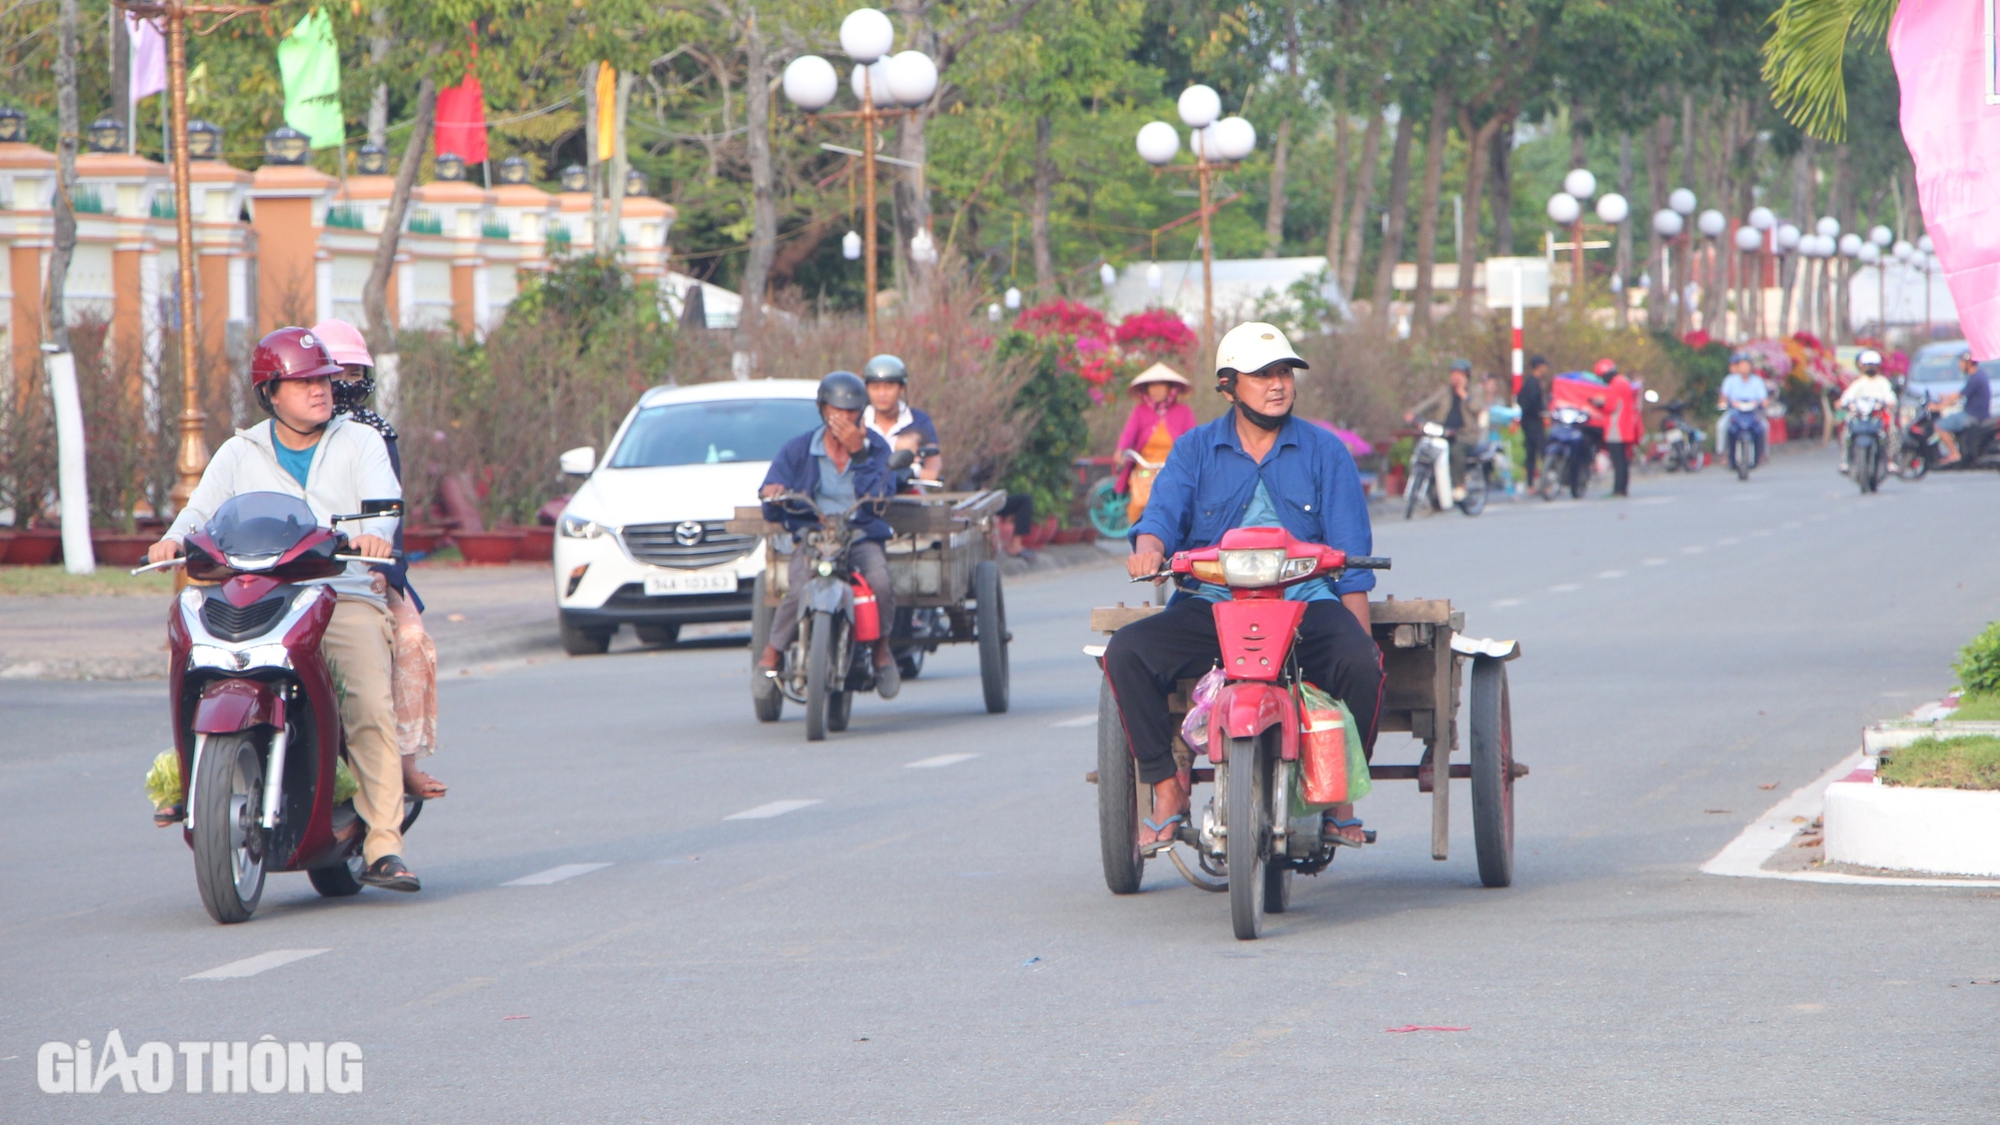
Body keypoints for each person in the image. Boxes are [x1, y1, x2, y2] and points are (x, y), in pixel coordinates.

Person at [145, 327, 419, 892]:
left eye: (323, 379)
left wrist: (373, 536)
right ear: (271, 391)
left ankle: (384, 843)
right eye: (303, 382)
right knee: (193, 660)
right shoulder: (240, 451)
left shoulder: (360, 441)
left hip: (341, 591)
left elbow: (382, 511)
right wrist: (171, 542)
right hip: (259, 590)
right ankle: (192, 782)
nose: (320, 390)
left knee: (367, 697)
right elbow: (196, 515)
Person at [1107, 322, 1384, 853]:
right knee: (1126, 653)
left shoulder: (1326, 452)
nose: (1277, 384)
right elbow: (1161, 513)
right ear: (1229, 386)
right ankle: (1167, 789)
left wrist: (1360, 636)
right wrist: (1149, 547)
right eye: (1261, 375)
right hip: (1213, 606)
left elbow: (1352, 558)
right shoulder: (1193, 450)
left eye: (1284, 373)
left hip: (1304, 606)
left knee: (1362, 663)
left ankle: (1338, 793)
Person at [312, 318, 446, 801]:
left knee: (409, 636)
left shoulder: (373, 435)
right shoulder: (265, 438)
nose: (342, 384)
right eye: (333, 372)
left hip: (363, 571)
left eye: (354, 372)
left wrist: (383, 570)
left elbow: (389, 517)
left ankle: (403, 763)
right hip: (290, 571)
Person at [755, 371, 902, 699]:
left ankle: (881, 652)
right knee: (799, 585)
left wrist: (859, 454)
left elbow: (880, 498)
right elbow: (771, 500)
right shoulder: (798, 449)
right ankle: (772, 654)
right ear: (823, 409)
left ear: (862, 413)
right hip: (815, 538)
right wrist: (773, 493)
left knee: (880, 583)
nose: (844, 419)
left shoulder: (876, 448)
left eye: (852, 412)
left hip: (860, 536)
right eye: (837, 411)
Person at [1113, 363, 1196, 524]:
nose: (1156, 390)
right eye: (1152, 386)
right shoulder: (1140, 411)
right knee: (1137, 503)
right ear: (1146, 389)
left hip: (1173, 466)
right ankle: (1137, 539)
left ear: (1169, 388)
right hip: (1145, 467)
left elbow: (1192, 437)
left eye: (1160, 385)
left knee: (1178, 504)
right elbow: (1129, 433)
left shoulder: (1183, 411)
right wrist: (1120, 450)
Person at [1406, 358, 1486, 500]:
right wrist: (1413, 412)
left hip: (1465, 435)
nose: (1455, 377)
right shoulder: (1445, 391)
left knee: (1456, 450)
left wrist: (1463, 394)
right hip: (1444, 431)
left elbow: (1476, 408)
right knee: (1427, 447)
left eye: (1459, 374)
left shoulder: (1475, 391)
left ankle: (1459, 485)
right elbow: (1429, 403)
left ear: (1467, 376)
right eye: (1453, 373)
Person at [860, 354, 942, 481]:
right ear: (866, 388)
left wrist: (929, 472)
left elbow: (933, 456)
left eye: (888, 387)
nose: (881, 394)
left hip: (908, 493)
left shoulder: (919, 420)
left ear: (902, 388)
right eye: (875, 387)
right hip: (867, 493)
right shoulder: (859, 421)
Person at [1837, 350, 1899, 473]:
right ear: (1862, 367)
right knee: (1846, 431)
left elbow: (1890, 398)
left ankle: (1890, 461)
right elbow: (1847, 397)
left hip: (1878, 414)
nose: (1870, 368)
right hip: (1860, 415)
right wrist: (1842, 403)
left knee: (1892, 430)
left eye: (1873, 366)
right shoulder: (1858, 383)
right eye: (1867, 365)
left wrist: (1888, 403)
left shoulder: (1882, 382)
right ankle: (1845, 461)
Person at [1933, 351, 1993, 464]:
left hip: (1973, 416)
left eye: (1961, 362)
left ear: (1969, 363)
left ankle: (1954, 453)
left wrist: (1938, 407)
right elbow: (1960, 393)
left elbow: (1958, 396)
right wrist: (1945, 397)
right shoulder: (1977, 376)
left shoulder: (1975, 378)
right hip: (1974, 414)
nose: (1959, 365)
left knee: (1939, 425)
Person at [1716, 351, 1770, 471]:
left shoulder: (1757, 381)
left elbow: (1764, 399)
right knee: (1722, 425)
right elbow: (1723, 397)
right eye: (1741, 365)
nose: (1744, 368)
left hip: (1753, 412)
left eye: (1746, 365)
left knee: (1765, 426)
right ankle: (1723, 454)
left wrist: (1763, 404)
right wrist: (1723, 404)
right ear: (1737, 367)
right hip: (1735, 412)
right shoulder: (1730, 380)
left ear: (1751, 367)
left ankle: (1763, 454)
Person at [1598, 358, 1639, 497]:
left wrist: (1599, 404)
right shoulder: (1624, 382)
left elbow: (1611, 406)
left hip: (1616, 428)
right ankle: (1622, 489)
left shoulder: (1616, 384)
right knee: (1623, 459)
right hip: (1626, 427)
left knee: (1618, 461)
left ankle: (1618, 489)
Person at [1517, 356, 1548, 486]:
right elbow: (1533, 401)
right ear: (1539, 366)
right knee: (1543, 451)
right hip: (1534, 421)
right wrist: (1540, 412)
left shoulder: (1528, 382)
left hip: (1526, 421)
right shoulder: (1534, 383)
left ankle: (1530, 483)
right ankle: (1546, 484)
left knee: (1531, 453)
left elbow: (1520, 399)